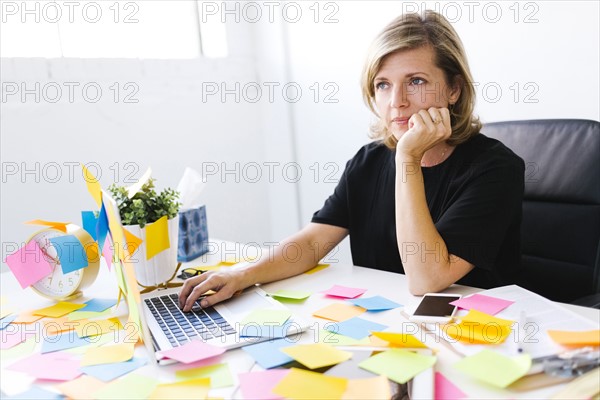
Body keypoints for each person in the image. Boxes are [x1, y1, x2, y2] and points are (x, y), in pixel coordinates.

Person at [179, 10, 524, 312]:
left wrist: (407, 158)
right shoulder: (368, 161)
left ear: (454, 90)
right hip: (381, 328)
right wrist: (243, 274)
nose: (396, 102)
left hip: (468, 339)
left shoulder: (495, 168)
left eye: (416, 81)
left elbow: (426, 279)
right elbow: (313, 242)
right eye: (383, 85)